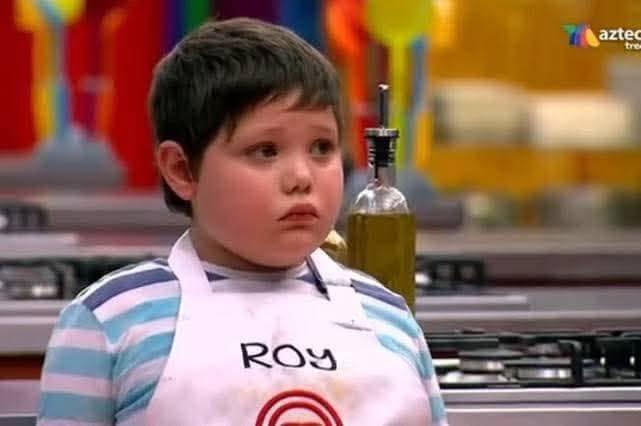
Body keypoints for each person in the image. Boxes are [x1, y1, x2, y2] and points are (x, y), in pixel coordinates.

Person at [37, 17, 448, 425]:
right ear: (181, 169)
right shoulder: (109, 321)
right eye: (266, 151)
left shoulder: (389, 317)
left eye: (322, 148)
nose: (302, 177)